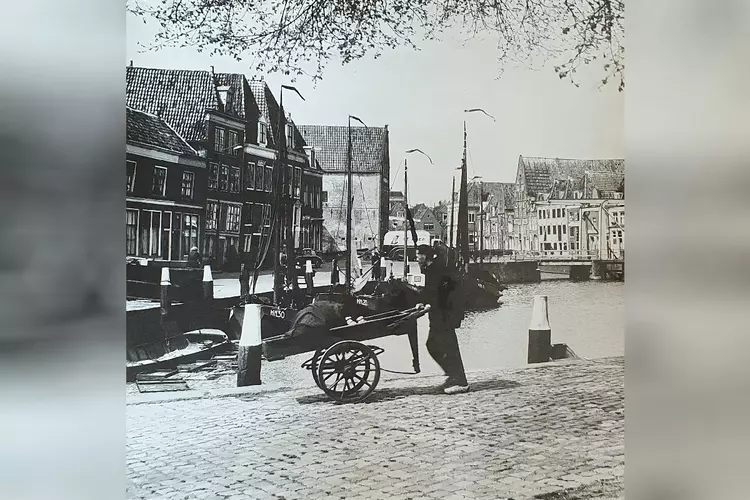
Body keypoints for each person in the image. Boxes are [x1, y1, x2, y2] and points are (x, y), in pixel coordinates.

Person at [416, 244, 470, 394]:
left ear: (425, 256)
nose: (416, 258)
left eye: (418, 255)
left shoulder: (437, 271)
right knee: (438, 345)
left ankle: (459, 379)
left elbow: (442, 294)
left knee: (443, 346)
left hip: (444, 316)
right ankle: (454, 376)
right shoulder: (431, 270)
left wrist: (430, 305)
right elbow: (430, 292)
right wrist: (423, 302)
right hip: (438, 316)